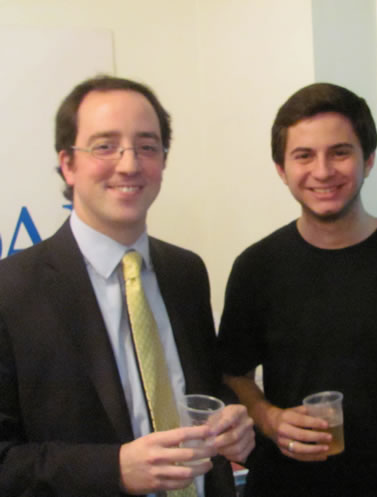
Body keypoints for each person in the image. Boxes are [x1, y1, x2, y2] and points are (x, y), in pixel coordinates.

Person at [0, 75, 254, 497]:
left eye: (147, 147)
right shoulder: (12, 291)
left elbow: (203, 389)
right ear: (68, 163)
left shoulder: (186, 273)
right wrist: (113, 469)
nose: (130, 164)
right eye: (105, 146)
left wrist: (232, 419)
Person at [216, 83, 377, 497]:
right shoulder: (257, 267)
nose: (323, 171)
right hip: (283, 485)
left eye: (340, 152)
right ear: (282, 170)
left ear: (368, 160)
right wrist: (270, 419)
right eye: (304, 155)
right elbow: (233, 373)